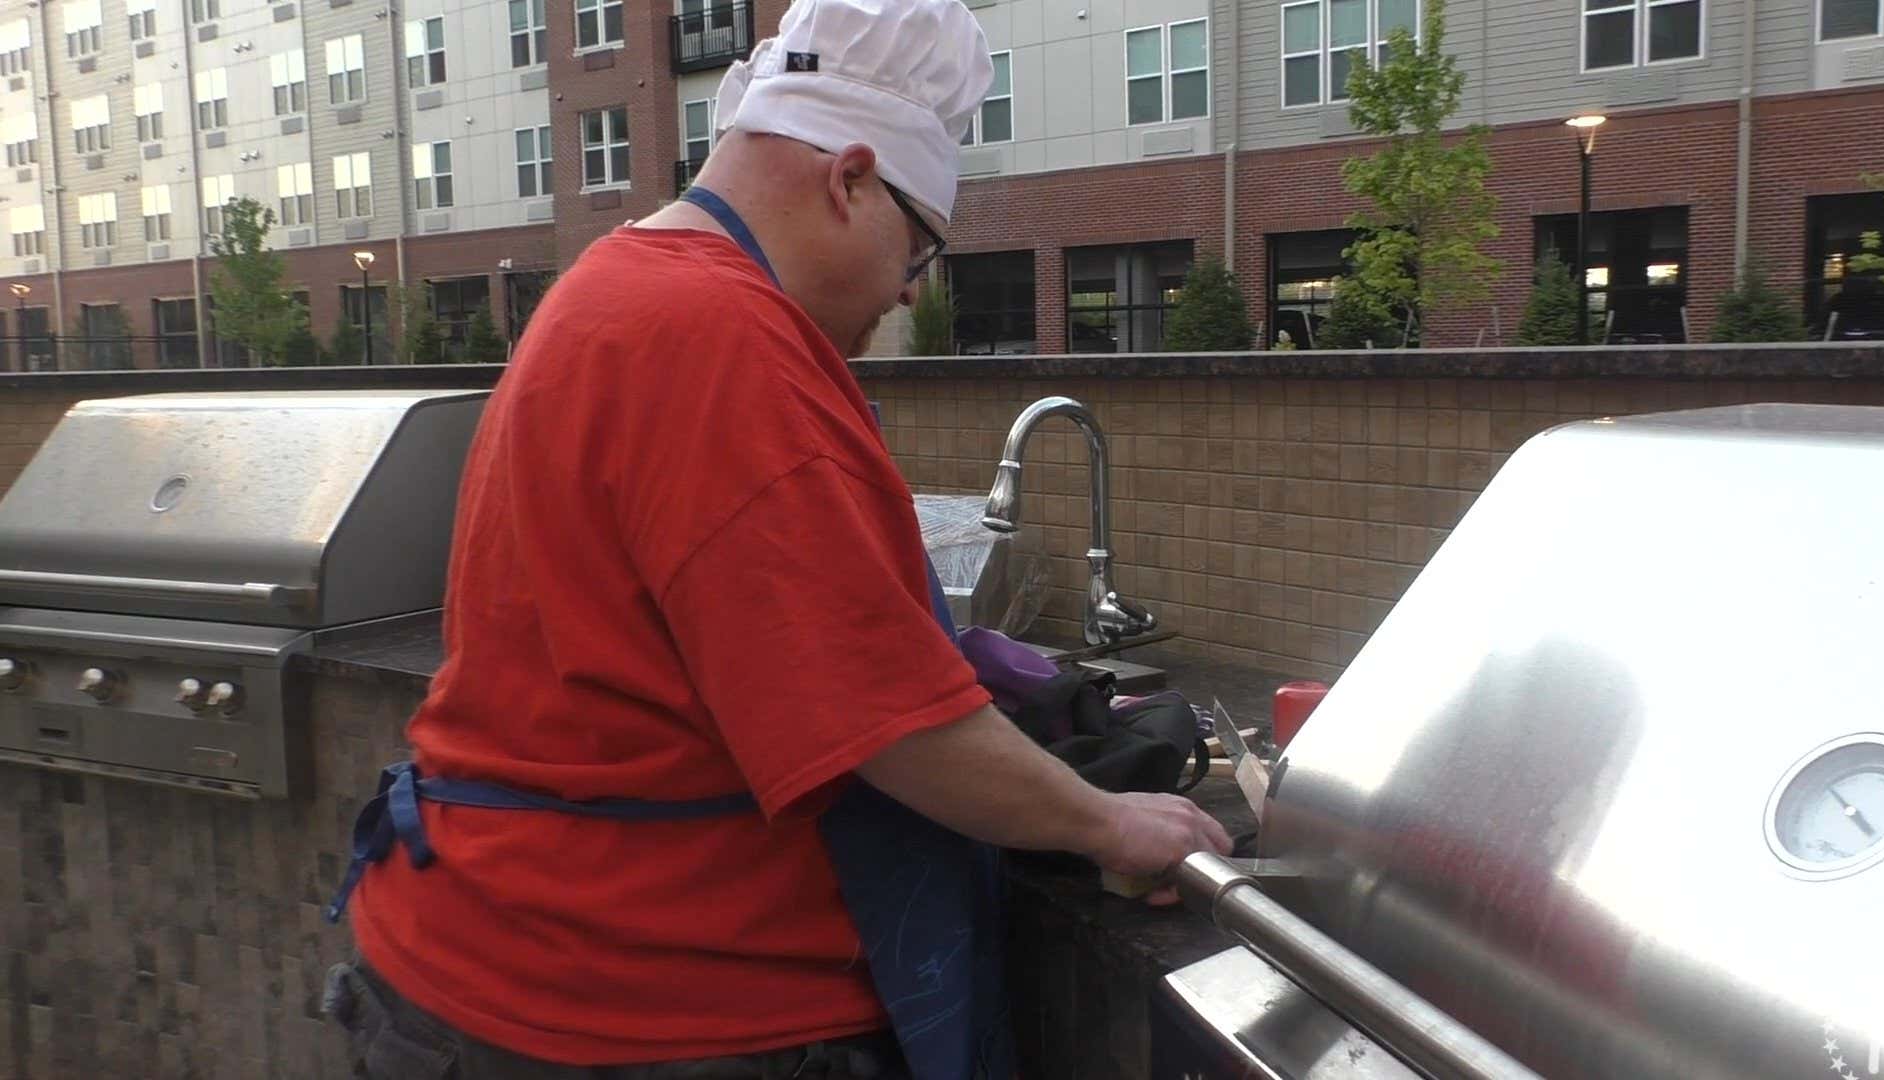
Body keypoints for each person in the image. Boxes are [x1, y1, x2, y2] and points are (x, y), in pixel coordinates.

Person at [319, 0, 1232, 1075]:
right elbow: (888, 725)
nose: (909, 288)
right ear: (850, 179)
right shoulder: (726, 338)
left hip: (475, 961)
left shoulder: (611, 288)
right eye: (919, 247)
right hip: (625, 1007)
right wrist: (1107, 824)